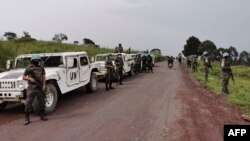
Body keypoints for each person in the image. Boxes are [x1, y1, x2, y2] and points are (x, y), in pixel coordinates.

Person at [22, 54, 48, 125]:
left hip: (40, 87)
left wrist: (44, 85)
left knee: (42, 102)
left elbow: (44, 77)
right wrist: (29, 78)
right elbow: (23, 77)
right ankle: (27, 119)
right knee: (28, 103)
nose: (36, 61)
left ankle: (42, 115)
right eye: (35, 60)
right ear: (32, 61)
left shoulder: (41, 67)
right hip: (31, 88)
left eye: (38, 60)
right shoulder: (29, 68)